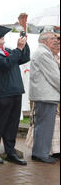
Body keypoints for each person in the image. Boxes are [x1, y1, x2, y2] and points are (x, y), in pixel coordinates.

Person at [0, 33, 30, 165]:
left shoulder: (8, 51)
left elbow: (24, 58)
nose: (2, 36)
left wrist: (25, 44)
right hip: (1, 93)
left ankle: (10, 152)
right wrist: (18, 49)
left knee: (12, 124)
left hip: (16, 91)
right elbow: (5, 64)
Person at [29, 32, 60, 163]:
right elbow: (55, 77)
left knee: (41, 126)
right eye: (53, 38)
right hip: (46, 95)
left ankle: (38, 153)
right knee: (45, 127)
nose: (55, 41)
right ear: (44, 40)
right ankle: (42, 154)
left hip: (44, 95)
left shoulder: (42, 52)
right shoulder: (44, 53)